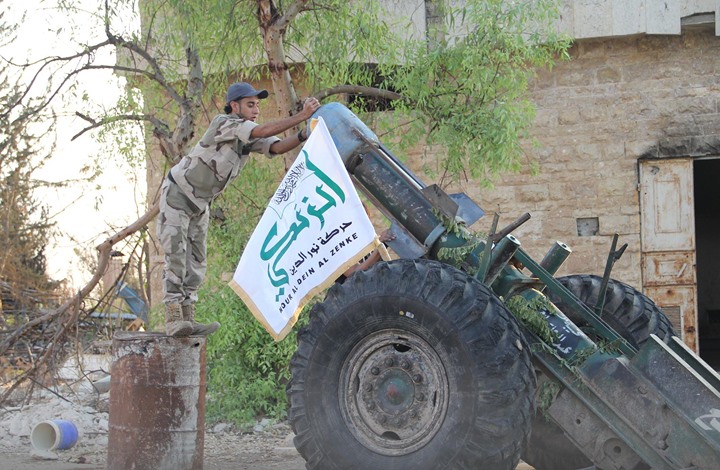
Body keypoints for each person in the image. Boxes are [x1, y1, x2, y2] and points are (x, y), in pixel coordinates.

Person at [157, 82, 321, 336]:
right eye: (250, 104)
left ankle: (187, 319)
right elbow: (261, 131)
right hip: (178, 195)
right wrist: (301, 116)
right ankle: (173, 320)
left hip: (200, 203)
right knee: (177, 255)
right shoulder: (225, 123)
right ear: (235, 106)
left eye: (257, 105)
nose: (256, 110)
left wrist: (303, 135)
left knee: (197, 261)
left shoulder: (247, 135)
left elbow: (274, 147)